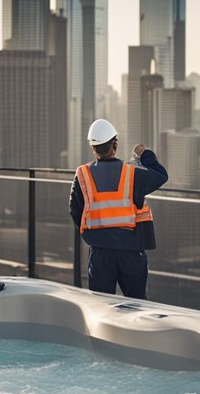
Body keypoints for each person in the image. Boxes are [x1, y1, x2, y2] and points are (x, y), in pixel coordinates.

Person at [70, 118, 168, 299]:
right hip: (131, 251)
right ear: (115, 145)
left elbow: (75, 210)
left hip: (100, 251)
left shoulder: (82, 174)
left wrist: (91, 234)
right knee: (137, 306)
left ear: (93, 148)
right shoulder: (133, 175)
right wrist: (144, 154)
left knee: (100, 307)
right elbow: (161, 175)